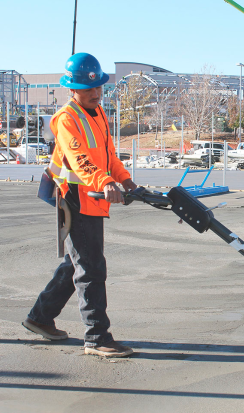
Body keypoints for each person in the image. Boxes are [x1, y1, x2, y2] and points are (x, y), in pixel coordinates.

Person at [23, 53, 137, 358]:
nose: (95, 93)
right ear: (72, 89)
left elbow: (108, 155)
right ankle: (97, 336)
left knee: (78, 261)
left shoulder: (99, 113)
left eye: (98, 87)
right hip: (74, 197)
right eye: (88, 90)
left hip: (94, 196)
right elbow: (80, 159)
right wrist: (105, 182)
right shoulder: (66, 118)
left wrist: (125, 179)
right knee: (90, 267)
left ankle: (40, 317)